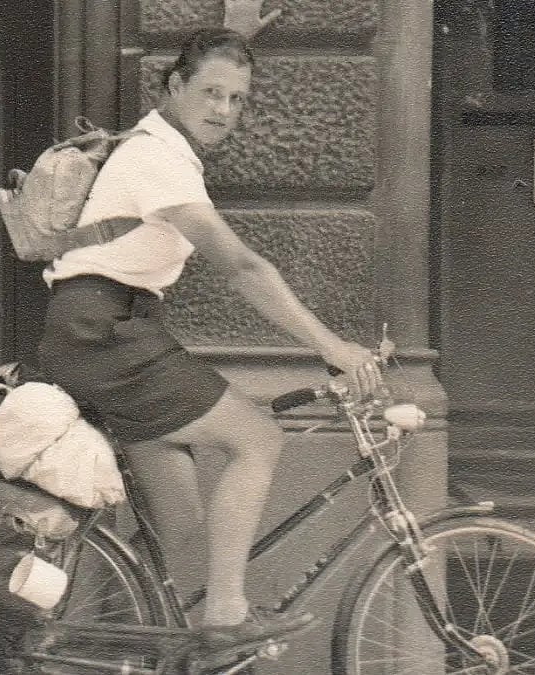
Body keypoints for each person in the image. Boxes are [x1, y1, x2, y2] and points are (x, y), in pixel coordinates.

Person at [35, 27, 382, 635]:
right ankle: (226, 615)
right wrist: (332, 347)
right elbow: (243, 268)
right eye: (211, 93)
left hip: (106, 330)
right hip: (104, 332)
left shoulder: (163, 151)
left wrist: (236, 33)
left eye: (237, 98)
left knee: (181, 528)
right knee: (258, 438)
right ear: (175, 87)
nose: (224, 110)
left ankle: (146, 644)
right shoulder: (157, 159)